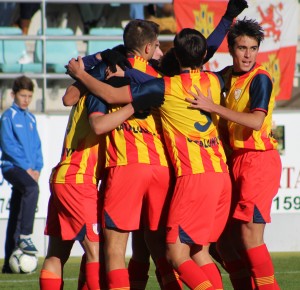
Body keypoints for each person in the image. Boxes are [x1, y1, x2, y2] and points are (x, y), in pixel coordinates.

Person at [67, 27, 233, 289]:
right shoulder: (209, 80)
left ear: (176, 55)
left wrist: (83, 72)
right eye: (157, 46)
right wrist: (226, 20)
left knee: (116, 251)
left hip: (131, 169)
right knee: (173, 252)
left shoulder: (161, 84)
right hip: (170, 172)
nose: (159, 52)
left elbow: (83, 97)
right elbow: (202, 54)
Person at [186, 18, 282, 290]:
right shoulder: (226, 75)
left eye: (253, 48)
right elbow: (199, 58)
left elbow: (254, 121)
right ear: (232, 49)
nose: (248, 54)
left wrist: (213, 107)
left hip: (258, 161)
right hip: (234, 162)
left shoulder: (260, 79)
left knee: (250, 238)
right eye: (242, 48)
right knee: (224, 241)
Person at [39, 55, 133, 290]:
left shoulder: (83, 91)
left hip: (62, 176)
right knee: (96, 250)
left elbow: (67, 97)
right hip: (78, 179)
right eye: (121, 70)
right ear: (109, 72)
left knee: (56, 253)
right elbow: (100, 125)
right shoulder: (99, 97)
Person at [0, 76, 43, 273]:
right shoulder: (8, 117)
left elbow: (37, 147)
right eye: (23, 95)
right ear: (13, 95)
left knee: (17, 210)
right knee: (31, 189)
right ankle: (26, 235)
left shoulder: (31, 118)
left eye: (29, 96)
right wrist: (27, 168)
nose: (26, 100)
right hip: (12, 167)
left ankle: (9, 261)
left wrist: (37, 168)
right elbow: (8, 146)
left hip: (29, 170)